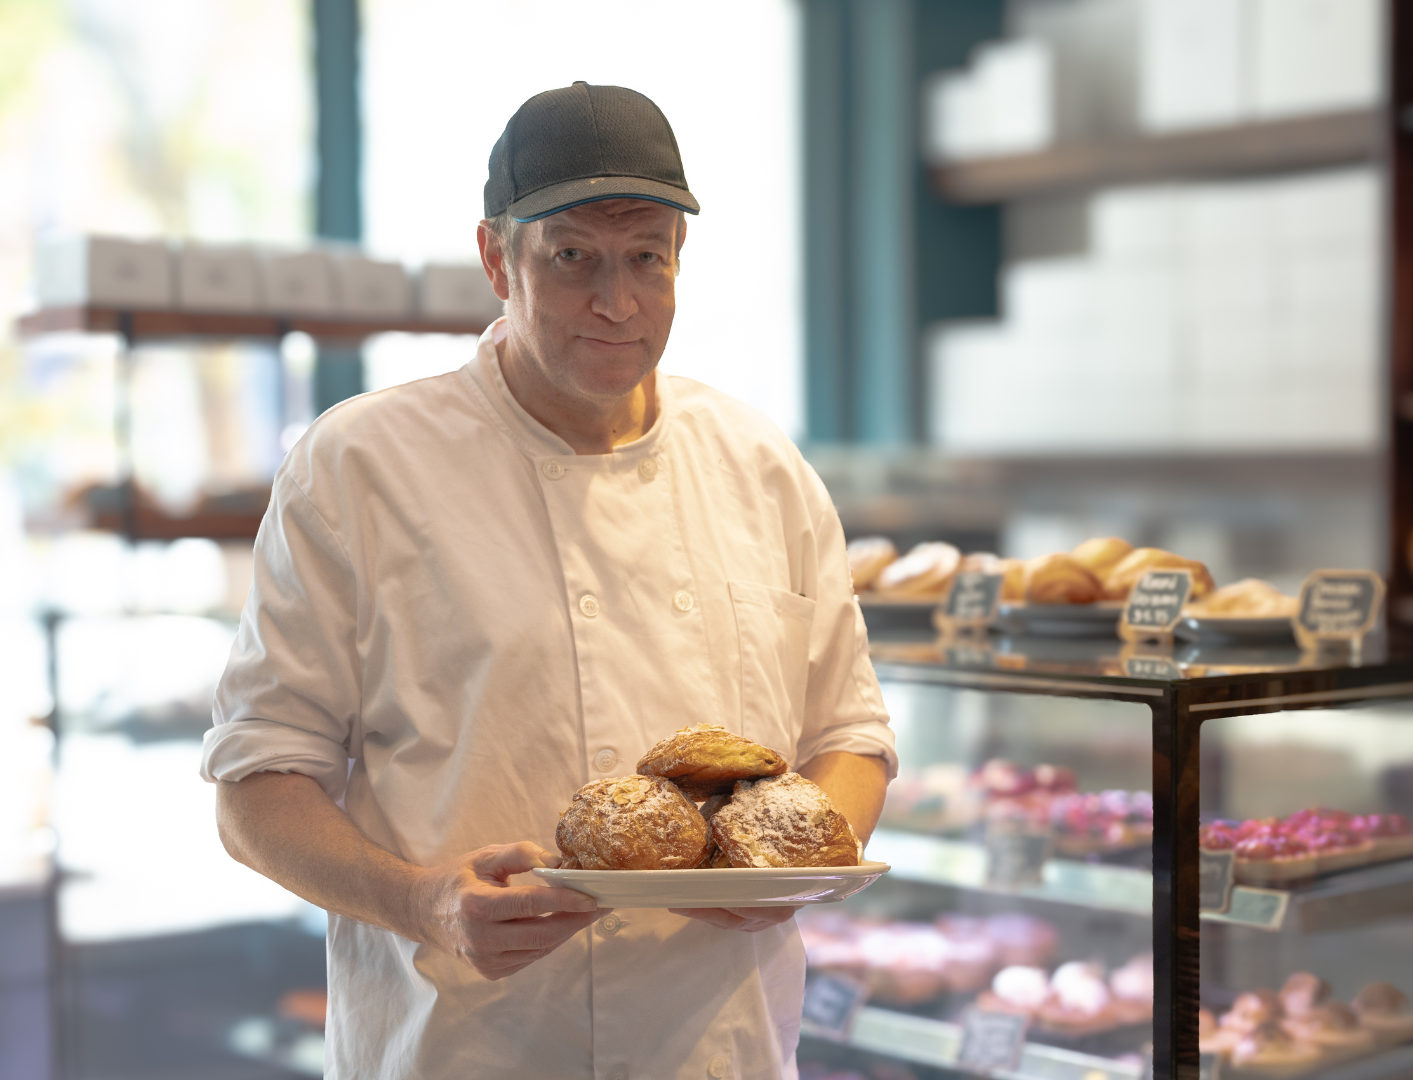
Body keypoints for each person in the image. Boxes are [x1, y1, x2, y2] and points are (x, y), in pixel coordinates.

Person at [201, 82, 894, 1080]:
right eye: (573, 258)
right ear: (497, 258)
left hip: (720, 1050)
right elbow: (258, 786)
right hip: (464, 1045)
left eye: (645, 258)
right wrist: (422, 900)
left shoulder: (758, 463)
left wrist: (797, 868)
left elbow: (850, 740)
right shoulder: (361, 463)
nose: (616, 301)